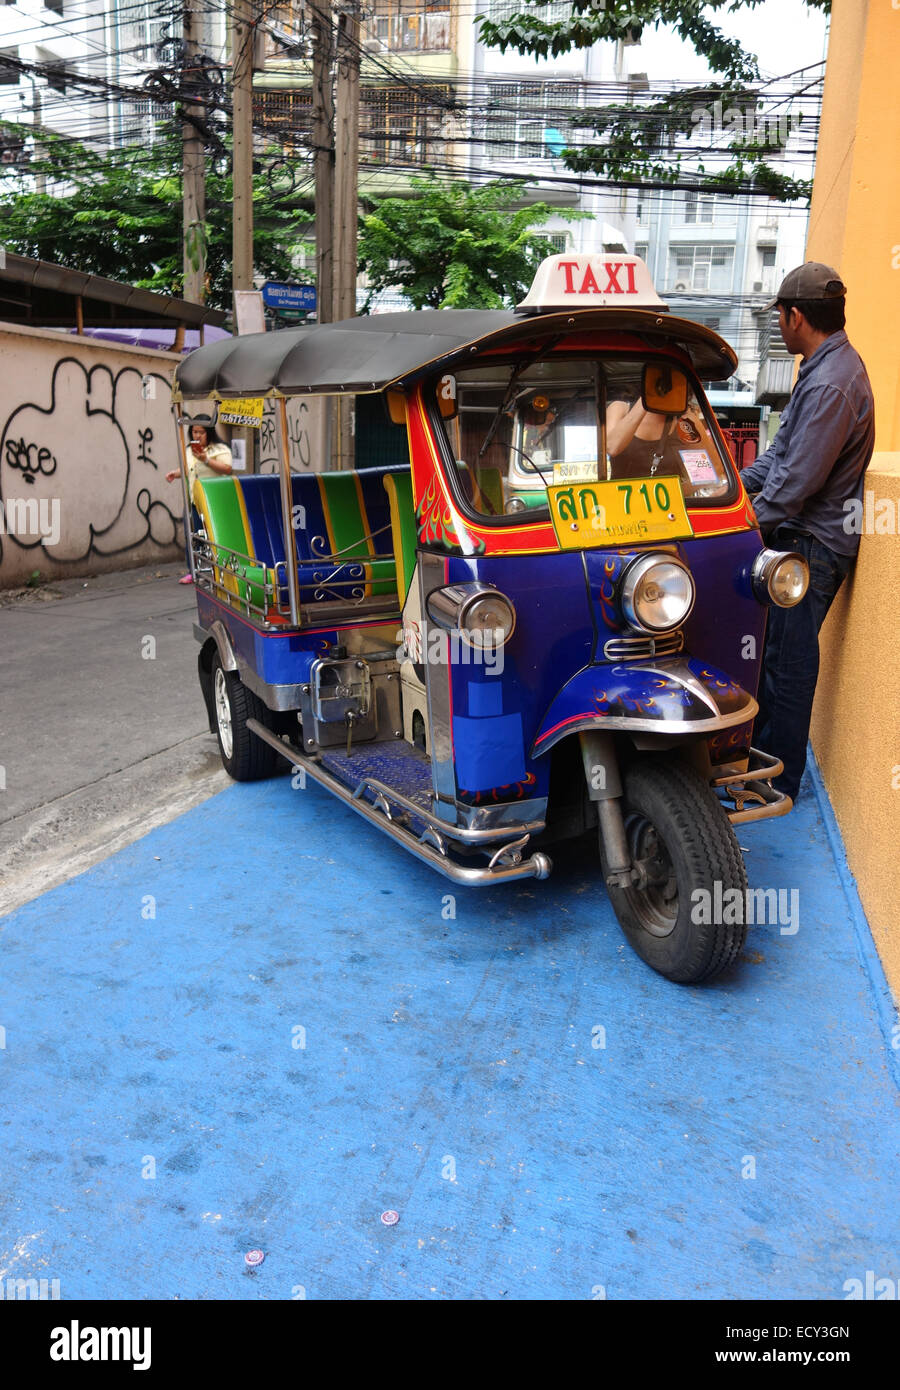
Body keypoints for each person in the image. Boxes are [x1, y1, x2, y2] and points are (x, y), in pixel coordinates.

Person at [740, 262, 875, 801]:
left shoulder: (833, 384)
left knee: (788, 667)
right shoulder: (821, 370)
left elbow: (796, 481)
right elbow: (776, 459)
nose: (779, 322)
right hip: (800, 537)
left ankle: (778, 782)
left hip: (812, 544)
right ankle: (761, 767)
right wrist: (729, 492)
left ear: (796, 315)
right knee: (772, 658)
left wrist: (746, 524)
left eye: (780, 314)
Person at [166, 416, 234, 585]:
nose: (197, 436)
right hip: (194, 500)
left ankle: (220, 571)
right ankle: (193, 571)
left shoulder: (220, 449)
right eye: (194, 432)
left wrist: (205, 459)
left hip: (215, 502)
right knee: (193, 536)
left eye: (201, 432)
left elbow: (226, 469)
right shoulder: (190, 449)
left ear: (209, 432)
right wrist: (175, 473)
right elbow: (188, 469)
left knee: (215, 538)